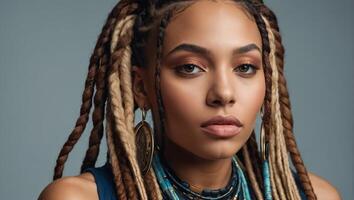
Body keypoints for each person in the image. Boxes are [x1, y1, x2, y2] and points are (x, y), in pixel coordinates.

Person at [38, 0, 341, 199]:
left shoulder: (316, 196)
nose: (223, 93)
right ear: (140, 87)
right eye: (190, 68)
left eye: (245, 67)